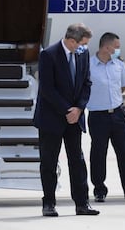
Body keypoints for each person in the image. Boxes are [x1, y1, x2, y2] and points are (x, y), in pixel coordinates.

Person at [33, 23, 99, 216]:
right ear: (71, 41)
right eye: (82, 43)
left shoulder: (83, 54)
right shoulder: (49, 55)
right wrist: (66, 109)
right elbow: (47, 88)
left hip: (75, 117)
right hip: (52, 117)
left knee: (77, 161)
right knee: (49, 162)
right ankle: (49, 203)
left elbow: (87, 83)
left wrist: (78, 109)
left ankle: (82, 204)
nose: (84, 47)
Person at [87, 32, 125, 202]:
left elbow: (122, 87)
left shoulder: (119, 65)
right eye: (116, 47)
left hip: (118, 114)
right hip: (97, 116)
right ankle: (99, 189)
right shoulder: (88, 65)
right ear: (106, 47)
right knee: (98, 154)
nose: (118, 50)